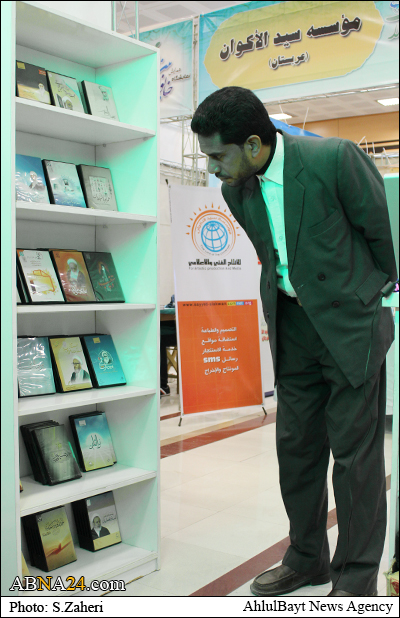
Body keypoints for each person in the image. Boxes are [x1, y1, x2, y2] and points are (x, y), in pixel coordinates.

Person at [191, 86, 397, 597]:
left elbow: (381, 237)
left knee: (355, 459)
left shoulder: (334, 160)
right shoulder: (236, 190)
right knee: (297, 451)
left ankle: (355, 579)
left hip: (349, 327)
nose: (212, 168)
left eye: (218, 155)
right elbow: (273, 255)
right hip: (292, 328)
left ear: (254, 144)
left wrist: (369, 300)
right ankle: (307, 558)